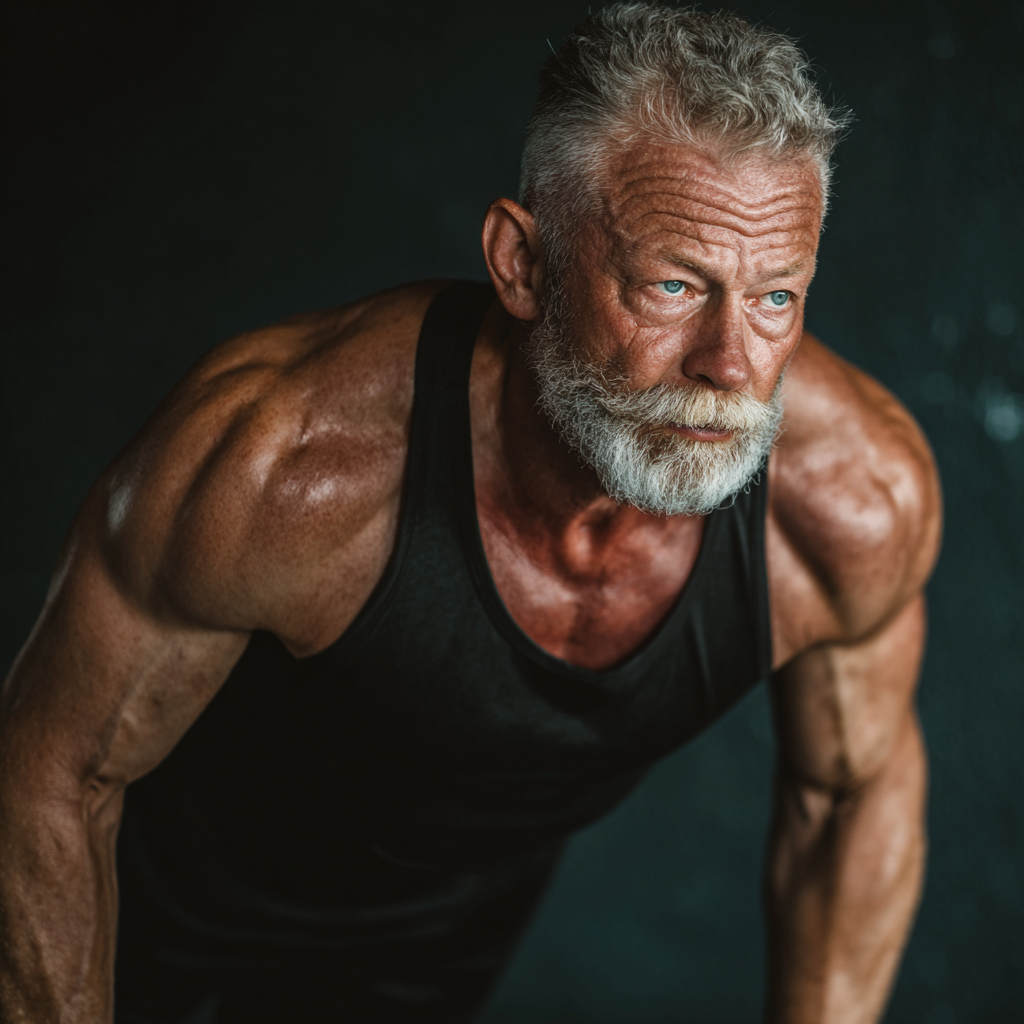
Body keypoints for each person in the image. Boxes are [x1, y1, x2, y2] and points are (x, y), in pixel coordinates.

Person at [0, 5, 941, 1023]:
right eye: (673, 284)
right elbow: (53, 776)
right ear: (522, 264)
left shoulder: (849, 504)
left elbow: (848, 797)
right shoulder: (284, 467)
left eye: (774, 299)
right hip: (142, 909)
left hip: (435, 961)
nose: (728, 366)